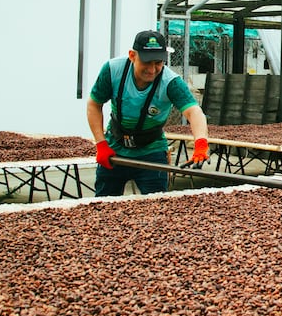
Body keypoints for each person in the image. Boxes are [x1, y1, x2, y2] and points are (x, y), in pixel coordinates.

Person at [87, 30, 210, 196]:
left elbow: (194, 112)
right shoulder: (112, 70)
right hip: (115, 148)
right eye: (147, 62)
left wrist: (201, 143)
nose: (152, 69)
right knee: (102, 206)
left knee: (156, 208)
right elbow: (94, 104)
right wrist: (101, 144)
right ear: (132, 55)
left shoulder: (170, 81)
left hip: (151, 151)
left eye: (158, 62)